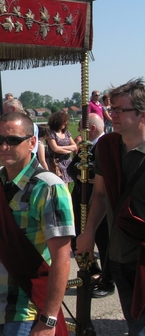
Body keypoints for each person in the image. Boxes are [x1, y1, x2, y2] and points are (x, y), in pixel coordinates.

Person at [0, 112, 74, 335]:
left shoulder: (49, 188)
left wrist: (49, 319)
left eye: (13, 140)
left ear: (32, 142)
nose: (4, 146)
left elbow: (62, 258)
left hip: (27, 307)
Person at [75, 78, 145, 334]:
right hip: (118, 256)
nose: (110, 114)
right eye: (110, 109)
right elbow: (101, 195)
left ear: (141, 113)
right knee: (134, 321)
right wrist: (89, 231)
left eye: (118, 110)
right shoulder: (107, 147)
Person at [68, 113, 115, 298]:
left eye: (81, 127)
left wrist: (95, 178)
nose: (79, 131)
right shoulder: (85, 147)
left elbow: (108, 173)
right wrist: (81, 176)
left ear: (91, 129)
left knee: (103, 242)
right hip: (81, 201)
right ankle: (93, 272)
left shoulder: (107, 146)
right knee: (78, 239)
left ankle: (108, 281)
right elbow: (72, 168)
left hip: (99, 202)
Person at [45, 111, 77, 186]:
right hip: (57, 163)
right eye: (64, 122)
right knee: (60, 185)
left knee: (67, 184)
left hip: (67, 161)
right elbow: (55, 149)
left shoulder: (66, 133)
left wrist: (61, 147)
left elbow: (74, 146)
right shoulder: (51, 133)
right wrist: (68, 150)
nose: (66, 123)